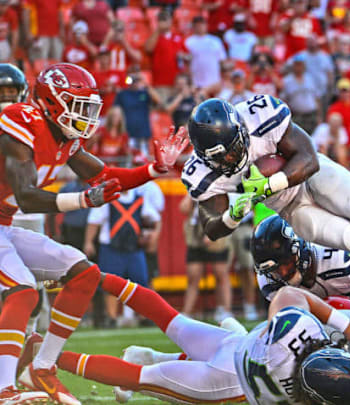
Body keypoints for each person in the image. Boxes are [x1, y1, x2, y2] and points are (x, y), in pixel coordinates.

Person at [0, 63, 187, 405]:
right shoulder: (21, 121)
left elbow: (105, 177)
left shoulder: (62, 138)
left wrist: (154, 170)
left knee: (83, 273)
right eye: (77, 104)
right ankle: (3, 390)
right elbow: (27, 195)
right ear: (52, 101)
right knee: (23, 290)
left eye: (88, 106)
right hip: (6, 222)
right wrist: (84, 199)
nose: (85, 114)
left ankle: (41, 367)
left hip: (4, 225)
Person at [182, 97, 350, 267]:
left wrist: (269, 185)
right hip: (291, 210)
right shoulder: (200, 173)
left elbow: (309, 159)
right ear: (205, 156)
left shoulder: (260, 114)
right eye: (224, 155)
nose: (233, 156)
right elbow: (212, 229)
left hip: (307, 175)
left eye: (234, 146)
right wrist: (231, 216)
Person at [46, 280, 350, 404]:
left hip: (235, 344)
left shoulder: (303, 329)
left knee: (171, 319)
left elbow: (289, 294)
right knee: (141, 379)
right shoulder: (297, 393)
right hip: (227, 384)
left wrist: (343, 323)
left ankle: (97, 276)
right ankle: (49, 358)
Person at [252, 215, 350, 310]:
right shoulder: (268, 281)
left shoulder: (336, 259)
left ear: (298, 250)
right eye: (274, 269)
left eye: (284, 263)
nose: (282, 273)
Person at [83, 184, 160, 327]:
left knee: (141, 283)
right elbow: (94, 221)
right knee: (110, 284)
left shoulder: (139, 199)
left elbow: (154, 217)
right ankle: (111, 317)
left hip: (134, 248)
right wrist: (89, 242)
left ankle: (144, 317)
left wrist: (153, 235)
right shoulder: (108, 199)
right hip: (112, 248)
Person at [179, 193, 232, 322]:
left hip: (217, 229)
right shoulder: (196, 186)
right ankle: (187, 312)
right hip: (195, 234)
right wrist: (191, 194)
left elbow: (225, 210)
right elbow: (183, 208)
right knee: (193, 275)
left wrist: (214, 231)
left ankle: (225, 310)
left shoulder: (220, 187)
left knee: (220, 273)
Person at [184, 16, 227, 89]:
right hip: (196, 82)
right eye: (197, 25)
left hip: (214, 82)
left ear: (206, 25)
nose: (200, 27)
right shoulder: (188, 42)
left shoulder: (215, 41)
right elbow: (186, 63)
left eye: (202, 24)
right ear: (193, 27)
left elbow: (222, 61)